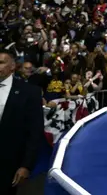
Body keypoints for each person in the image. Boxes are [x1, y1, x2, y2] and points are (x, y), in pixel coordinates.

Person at [0, 49, 44, 195]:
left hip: (9, 165)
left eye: (1, 62)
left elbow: (35, 131)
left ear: (13, 66)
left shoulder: (30, 92)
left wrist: (26, 166)